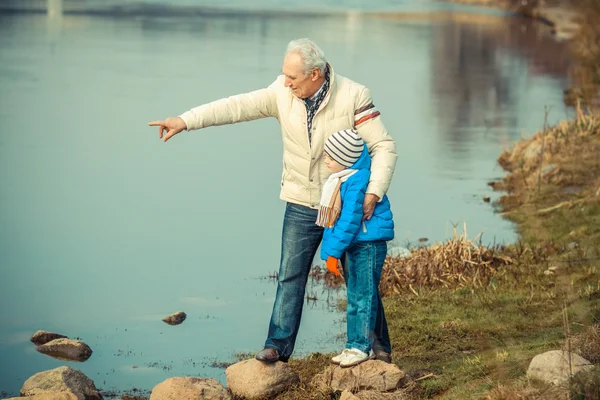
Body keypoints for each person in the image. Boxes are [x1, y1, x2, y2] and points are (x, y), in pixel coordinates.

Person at [148, 38, 397, 363]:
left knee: (358, 278)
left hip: (345, 204)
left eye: (292, 76)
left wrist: (374, 191)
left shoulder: (353, 96)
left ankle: (379, 348)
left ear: (316, 73)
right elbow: (235, 106)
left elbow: (384, 146)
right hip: (300, 201)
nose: (286, 81)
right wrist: (185, 120)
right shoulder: (281, 92)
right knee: (290, 275)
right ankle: (277, 347)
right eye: (284, 75)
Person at [317, 129, 394, 368]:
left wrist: (332, 253)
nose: (326, 160)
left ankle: (362, 347)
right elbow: (335, 224)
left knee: (363, 297)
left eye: (330, 156)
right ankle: (353, 345)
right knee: (354, 297)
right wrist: (331, 252)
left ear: (346, 159)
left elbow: (349, 220)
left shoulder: (356, 181)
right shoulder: (342, 179)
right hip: (356, 243)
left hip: (367, 244)